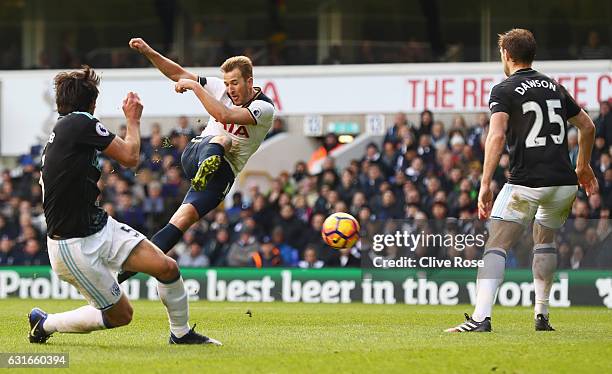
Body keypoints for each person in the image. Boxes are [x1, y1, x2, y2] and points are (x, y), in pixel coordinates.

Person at [29, 66, 221, 345]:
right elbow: (131, 157)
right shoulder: (79, 122)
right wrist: (133, 119)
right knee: (121, 315)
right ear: (91, 104)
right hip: (72, 244)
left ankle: (181, 334)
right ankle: (46, 323)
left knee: (166, 268)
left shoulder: (66, 130)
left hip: (97, 226)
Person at [446, 29, 599, 333]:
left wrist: (485, 182)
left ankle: (480, 318)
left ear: (507, 55)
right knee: (545, 241)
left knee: (496, 245)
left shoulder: (504, 89)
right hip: (563, 185)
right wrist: (582, 165)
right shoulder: (555, 87)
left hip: (527, 182)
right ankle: (541, 315)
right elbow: (588, 126)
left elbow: (498, 135)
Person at [117, 38, 274, 283]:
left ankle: (122, 274)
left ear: (249, 81)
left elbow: (224, 114)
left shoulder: (264, 108)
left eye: (235, 83)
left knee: (181, 221)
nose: (229, 89)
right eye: (227, 83)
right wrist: (149, 51)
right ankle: (206, 165)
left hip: (223, 174)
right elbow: (177, 73)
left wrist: (194, 87)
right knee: (224, 140)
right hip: (197, 153)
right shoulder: (218, 88)